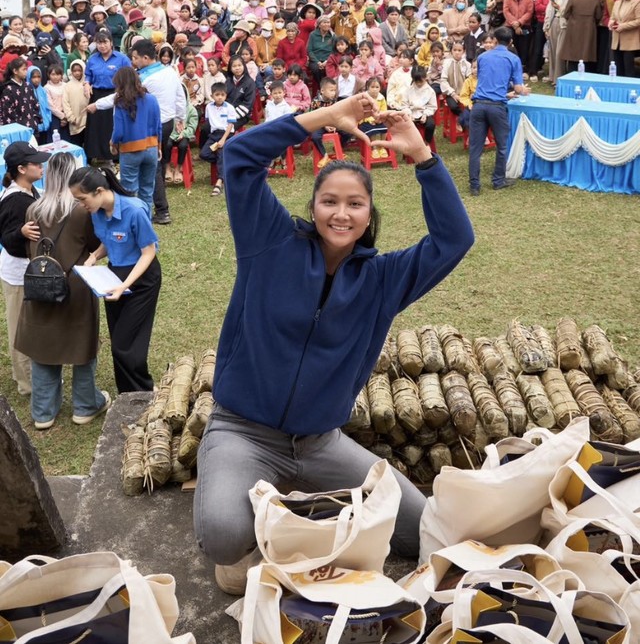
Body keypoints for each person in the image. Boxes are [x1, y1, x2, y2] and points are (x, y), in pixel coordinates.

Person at [193, 92, 474, 595]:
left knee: (420, 530)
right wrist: (324, 118)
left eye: (355, 204)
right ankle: (251, 496)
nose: (340, 214)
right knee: (222, 538)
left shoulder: (384, 279)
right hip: (243, 431)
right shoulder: (269, 243)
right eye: (329, 201)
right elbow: (237, 157)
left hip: (320, 444)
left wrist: (424, 159)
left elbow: (454, 240)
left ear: (369, 214)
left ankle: (288, 500)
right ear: (313, 205)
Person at [15, 152, 110, 429]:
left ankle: (43, 412)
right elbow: (95, 246)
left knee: (43, 347)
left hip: (40, 285)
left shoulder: (33, 210)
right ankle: (85, 405)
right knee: (82, 345)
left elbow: (28, 249)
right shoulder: (82, 211)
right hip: (76, 285)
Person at [69, 166, 161, 393]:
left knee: (126, 345)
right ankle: (127, 395)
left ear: (99, 191)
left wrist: (125, 285)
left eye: (82, 199)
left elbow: (148, 252)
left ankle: (145, 393)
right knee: (119, 342)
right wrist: (94, 257)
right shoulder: (98, 213)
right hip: (113, 277)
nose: (81, 205)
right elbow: (109, 240)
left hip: (140, 281)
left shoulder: (135, 210)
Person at [0, 142, 50, 396]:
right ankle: (26, 383)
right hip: (17, 274)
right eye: (35, 163)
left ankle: (33, 375)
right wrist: (19, 233)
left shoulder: (30, 191)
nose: (41, 166)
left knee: (31, 325)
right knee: (19, 329)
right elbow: (6, 239)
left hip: (28, 273)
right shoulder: (14, 200)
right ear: (21, 169)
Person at [468, 26, 530, 196]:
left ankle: (474, 184)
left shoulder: (482, 57)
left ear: (494, 40)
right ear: (511, 42)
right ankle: (498, 180)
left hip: (479, 104)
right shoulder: (513, 59)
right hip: (497, 107)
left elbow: (483, 78)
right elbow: (518, 88)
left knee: (475, 147)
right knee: (502, 146)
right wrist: (523, 90)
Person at [110, 67, 162, 215]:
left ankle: (132, 224)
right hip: (151, 148)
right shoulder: (151, 99)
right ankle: (146, 222)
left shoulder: (120, 102)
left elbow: (118, 131)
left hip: (130, 150)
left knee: (129, 191)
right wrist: (159, 147)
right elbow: (158, 126)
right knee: (147, 190)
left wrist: (113, 143)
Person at [84, 30, 131, 166]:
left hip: (116, 94)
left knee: (113, 125)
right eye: (99, 43)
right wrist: (86, 84)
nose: (102, 46)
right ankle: (96, 155)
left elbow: (128, 76)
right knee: (96, 128)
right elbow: (88, 76)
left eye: (105, 42)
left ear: (111, 43)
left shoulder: (122, 58)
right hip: (97, 94)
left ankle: (114, 155)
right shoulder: (93, 59)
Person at [558, 0, 603, 72]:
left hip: (573, 29)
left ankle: (572, 74)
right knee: (587, 53)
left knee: (573, 55)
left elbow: (565, 14)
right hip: (590, 30)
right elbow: (598, 16)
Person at [200, 84, 237, 196]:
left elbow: (230, 125)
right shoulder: (209, 107)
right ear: (212, 96)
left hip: (226, 134)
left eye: (222, 95)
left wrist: (223, 140)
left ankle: (219, 182)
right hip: (214, 134)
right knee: (204, 154)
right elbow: (208, 121)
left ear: (226, 95)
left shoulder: (229, 107)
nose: (220, 97)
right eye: (217, 95)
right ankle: (225, 162)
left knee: (221, 153)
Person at [609, 0, 640, 77]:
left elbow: (638, 20)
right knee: (618, 67)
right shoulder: (617, 3)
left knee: (629, 68)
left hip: (630, 40)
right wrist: (611, 22)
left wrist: (623, 26)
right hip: (617, 39)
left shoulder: (637, 3)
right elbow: (613, 17)